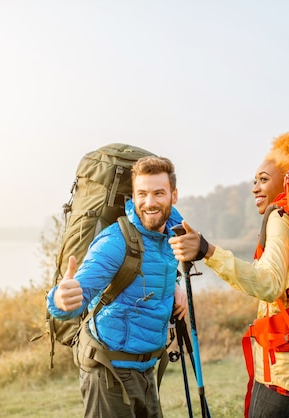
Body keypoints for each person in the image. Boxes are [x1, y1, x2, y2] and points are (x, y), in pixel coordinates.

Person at [168, 132, 289, 418]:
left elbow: (269, 283)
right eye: (254, 181)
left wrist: (208, 251)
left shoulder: (281, 218)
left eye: (264, 179)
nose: (255, 187)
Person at [46, 155, 188, 418]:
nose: (150, 202)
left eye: (159, 193)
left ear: (174, 195)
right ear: (132, 198)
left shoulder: (172, 235)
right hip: (108, 371)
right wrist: (61, 301)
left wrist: (176, 286)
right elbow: (79, 292)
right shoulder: (115, 241)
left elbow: (156, 269)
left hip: (145, 369)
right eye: (142, 194)